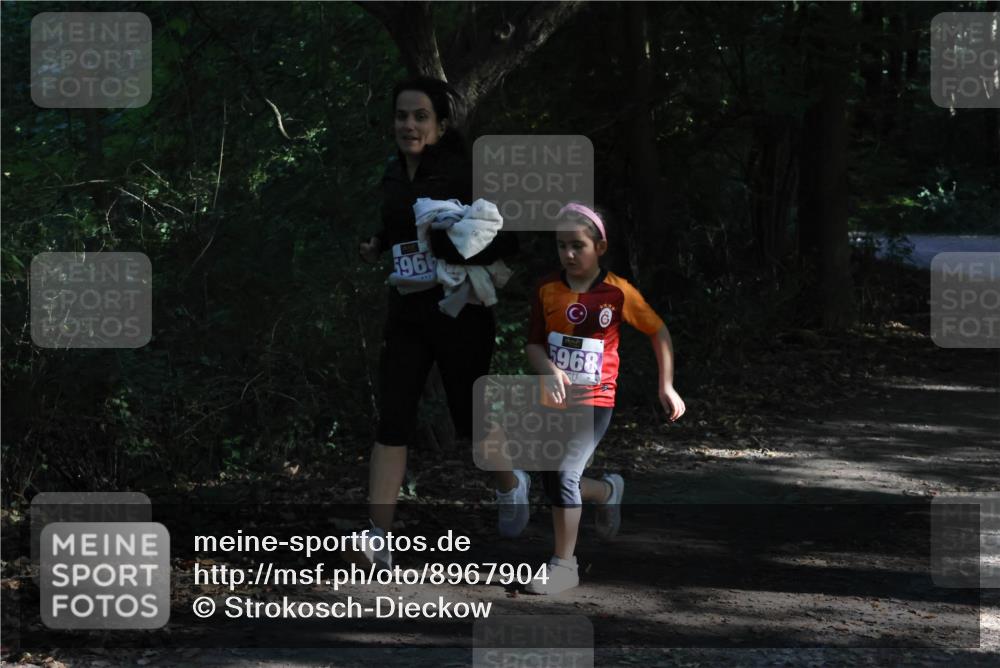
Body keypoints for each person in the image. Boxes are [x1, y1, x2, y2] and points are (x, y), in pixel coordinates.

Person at [357, 76, 517, 568]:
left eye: (420, 116)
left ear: (440, 125)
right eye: (402, 115)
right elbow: (397, 225)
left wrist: (447, 246)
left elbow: (506, 240)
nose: (409, 124)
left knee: (471, 421)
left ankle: (512, 483)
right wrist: (378, 244)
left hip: (459, 313)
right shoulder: (391, 173)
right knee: (393, 419)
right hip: (407, 313)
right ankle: (377, 537)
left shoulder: (463, 175)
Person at [518, 202, 685, 595]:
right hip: (553, 398)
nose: (569, 254)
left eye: (578, 245)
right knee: (554, 480)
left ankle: (564, 566)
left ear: (600, 247)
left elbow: (658, 331)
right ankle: (608, 491)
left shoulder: (617, 292)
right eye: (561, 246)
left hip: (596, 399)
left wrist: (666, 386)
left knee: (563, 475)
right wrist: (549, 370)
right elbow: (533, 345)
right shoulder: (546, 288)